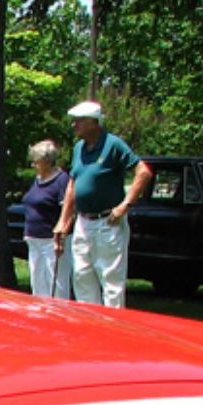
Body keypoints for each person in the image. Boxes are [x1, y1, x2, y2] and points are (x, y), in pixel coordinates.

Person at [54, 100, 153, 308]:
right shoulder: (79, 148)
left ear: (94, 122)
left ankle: (112, 330)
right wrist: (63, 221)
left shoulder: (113, 144)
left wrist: (125, 205)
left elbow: (143, 172)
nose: (74, 125)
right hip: (83, 221)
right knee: (81, 277)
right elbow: (73, 184)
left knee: (111, 281)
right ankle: (90, 328)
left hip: (108, 222)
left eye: (79, 121)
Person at [20, 139, 73, 299]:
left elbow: (70, 210)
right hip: (34, 239)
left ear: (47, 162)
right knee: (37, 285)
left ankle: (60, 318)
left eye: (36, 161)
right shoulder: (37, 180)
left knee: (57, 286)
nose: (33, 165)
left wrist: (61, 236)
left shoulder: (62, 180)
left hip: (52, 241)